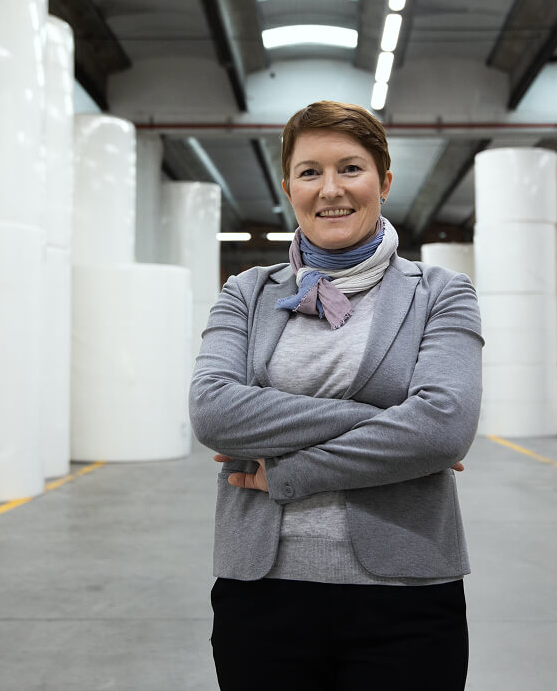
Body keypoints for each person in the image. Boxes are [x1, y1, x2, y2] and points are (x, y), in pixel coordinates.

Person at [189, 100, 483, 690]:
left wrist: (288, 472)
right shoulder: (247, 293)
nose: (331, 190)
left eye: (350, 168)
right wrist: (387, 420)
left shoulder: (441, 293)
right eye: (310, 172)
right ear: (289, 189)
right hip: (262, 595)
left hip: (406, 595)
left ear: (384, 181)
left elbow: (443, 429)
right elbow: (214, 412)